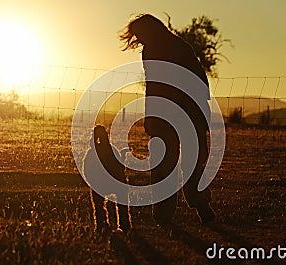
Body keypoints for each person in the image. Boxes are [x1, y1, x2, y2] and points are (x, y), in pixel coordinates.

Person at [119, 14, 216, 227]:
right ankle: (198, 207)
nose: (139, 39)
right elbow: (198, 79)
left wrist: (154, 117)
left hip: (174, 112)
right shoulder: (175, 46)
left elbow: (157, 86)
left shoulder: (156, 49)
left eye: (140, 34)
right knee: (188, 163)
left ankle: (167, 215)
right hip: (185, 112)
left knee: (167, 166)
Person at [83, 125, 131, 232]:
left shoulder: (91, 153)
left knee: (98, 204)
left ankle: (101, 224)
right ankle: (124, 224)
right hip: (116, 183)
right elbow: (120, 169)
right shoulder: (112, 150)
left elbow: (87, 171)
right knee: (122, 200)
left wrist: (93, 182)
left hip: (99, 184)